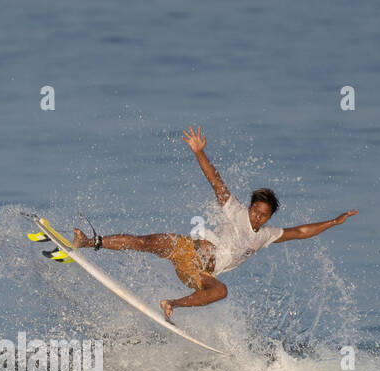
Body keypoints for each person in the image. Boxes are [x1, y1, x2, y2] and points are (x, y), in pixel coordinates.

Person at [71, 125, 358, 320]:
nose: (257, 217)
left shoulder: (266, 235)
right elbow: (215, 181)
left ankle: (172, 303)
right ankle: (87, 241)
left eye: (263, 215)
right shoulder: (235, 211)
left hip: (199, 274)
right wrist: (199, 152)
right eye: (256, 211)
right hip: (187, 250)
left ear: (269, 217)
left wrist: (334, 221)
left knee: (220, 291)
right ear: (250, 207)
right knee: (147, 242)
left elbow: (302, 231)